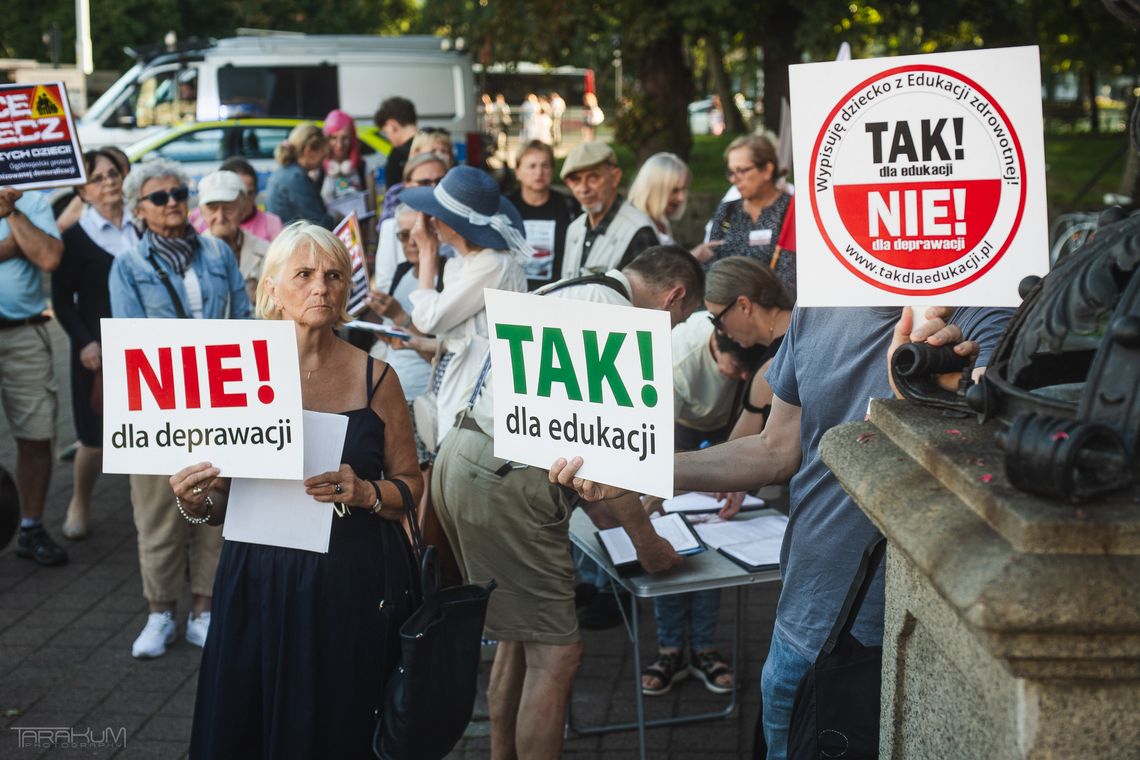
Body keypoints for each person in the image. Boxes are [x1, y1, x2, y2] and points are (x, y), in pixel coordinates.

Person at [551, 305, 1010, 760]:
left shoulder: (986, 310)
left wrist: (937, 396)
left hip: (910, 639)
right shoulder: (820, 305)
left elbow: (1002, 462)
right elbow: (775, 450)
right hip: (802, 618)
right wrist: (640, 470)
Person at [431, 244, 705, 759]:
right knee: (557, 656)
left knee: (520, 639)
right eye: (680, 320)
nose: (671, 331)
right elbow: (612, 461)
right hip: (504, 479)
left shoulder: (578, 286)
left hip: (465, 455)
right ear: (674, 296)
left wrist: (607, 511)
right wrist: (647, 543)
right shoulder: (620, 319)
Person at [179, 222, 422, 758]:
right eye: (304, 275)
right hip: (257, 578)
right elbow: (220, 501)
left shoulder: (376, 378)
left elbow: (411, 484)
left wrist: (367, 493)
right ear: (271, 288)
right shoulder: (236, 373)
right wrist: (194, 501)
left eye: (334, 276)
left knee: (339, 721)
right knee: (248, 719)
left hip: (349, 582)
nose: (321, 288)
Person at [109, 158, 251, 659]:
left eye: (178, 194)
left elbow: (243, 316)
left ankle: (203, 611)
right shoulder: (127, 265)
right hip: (157, 407)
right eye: (159, 197)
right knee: (156, 513)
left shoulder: (217, 252)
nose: (172, 202)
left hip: (218, 401)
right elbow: (129, 341)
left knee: (214, 505)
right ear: (139, 209)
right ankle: (160, 613)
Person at [639, 259, 790, 698]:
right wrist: (712, 480)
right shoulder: (766, 354)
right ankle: (674, 647)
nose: (718, 330)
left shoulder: (776, 352)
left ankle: (700, 646)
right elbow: (746, 437)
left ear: (743, 305)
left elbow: (767, 449)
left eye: (717, 318)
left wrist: (666, 479)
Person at [399, 165, 528, 451]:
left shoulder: (492, 264)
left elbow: (428, 319)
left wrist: (427, 254)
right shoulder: (466, 262)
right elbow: (467, 332)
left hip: (480, 393)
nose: (430, 221)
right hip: (464, 384)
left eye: (436, 214)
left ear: (453, 225)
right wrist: (422, 344)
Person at [51, 149, 139, 541]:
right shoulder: (74, 237)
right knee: (94, 437)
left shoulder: (143, 225)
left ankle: (148, 509)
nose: (109, 182)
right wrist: (85, 342)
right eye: (97, 178)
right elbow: (61, 302)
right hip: (97, 352)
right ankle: (79, 502)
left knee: (147, 431)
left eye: (113, 174)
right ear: (82, 191)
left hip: (144, 347)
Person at [0, 188, 66, 567]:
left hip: (24, 332)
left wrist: (11, 213)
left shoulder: (31, 200)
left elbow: (47, 256)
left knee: (37, 434)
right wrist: (12, 247)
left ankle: (31, 527)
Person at [366, 203, 441, 464]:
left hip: (424, 395)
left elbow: (439, 351)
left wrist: (400, 316)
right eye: (403, 235)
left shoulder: (446, 276)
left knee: (422, 471)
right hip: (393, 390)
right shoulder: (401, 270)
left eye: (417, 233)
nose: (410, 242)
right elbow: (395, 336)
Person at [694, 135, 795, 298]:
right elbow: (713, 265)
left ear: (767, 170)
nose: (734, 180)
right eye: (731, 172)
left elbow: (792, 274)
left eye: (742, 171)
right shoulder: (728, 210)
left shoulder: (790, 210)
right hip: (727, 304)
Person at [559, 142, 659, 279]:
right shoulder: (574, 229)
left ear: (615, 177)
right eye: (576, 180)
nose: (584, 189)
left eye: (593, 178)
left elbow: (648, 289)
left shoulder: (638, 230)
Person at [373, 151, 451, 294]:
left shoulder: (456, 225)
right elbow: (384, 285)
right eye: (425, 183)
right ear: (407, 185)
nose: (434, 188)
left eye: (440, 181)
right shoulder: (391, 226)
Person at [508, 140, 579, 290]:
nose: (539, 173)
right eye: (532, 166)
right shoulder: (506, 208)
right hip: (514, 291)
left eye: (545, 166)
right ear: (518, 172)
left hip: (558, 291)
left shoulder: (570, 206)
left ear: (552, 170)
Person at [197, 170, 268, 305]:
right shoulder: (190, 255)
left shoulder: (266, 252)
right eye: (212, 209)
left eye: (228, 208)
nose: (220, 217)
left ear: (243, 208)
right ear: (202, 211)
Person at [266, 123, 334, 228]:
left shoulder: (285, 171)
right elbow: (320, 223)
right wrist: (337, 218)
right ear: (309, 151)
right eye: (323, 154)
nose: (323, 160)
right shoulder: (297, 178)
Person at [628, 152, 691, 245]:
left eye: (684, 189)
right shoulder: (638, 228)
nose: (681, 198)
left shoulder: (661, 220)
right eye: (675, 190)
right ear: (655, 188)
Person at [319, 109, 372, 210]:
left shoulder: (363, 166)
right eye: (334, 138)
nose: (340, 144)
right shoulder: (318, 168)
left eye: (345, 138)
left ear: (352, 139)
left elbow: (371, 206)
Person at [374, 96, 419, 190]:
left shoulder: (397, 155)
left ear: (392, 125)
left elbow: (392, 195)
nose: (388, 138)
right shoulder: (438, 145)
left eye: (385, 132)